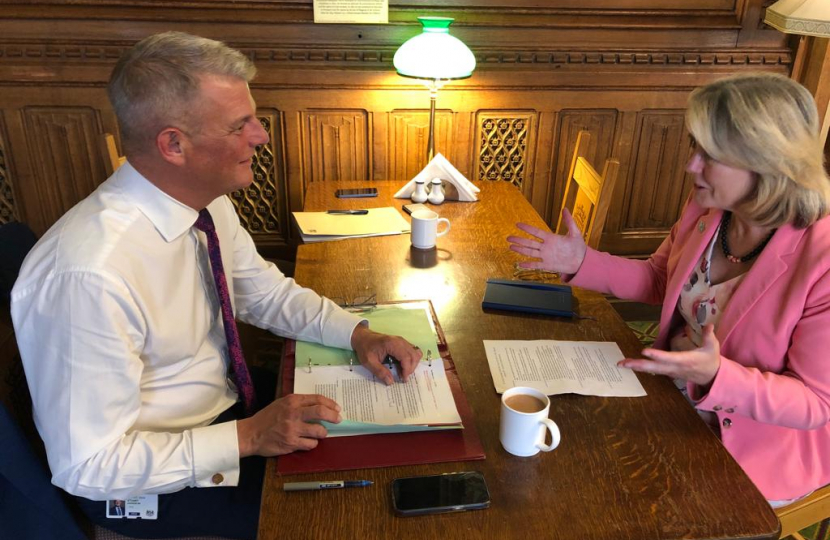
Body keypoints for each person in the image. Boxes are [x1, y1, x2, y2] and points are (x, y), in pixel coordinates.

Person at [11, 31, 421, 539]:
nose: (261, 136)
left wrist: (358, 334)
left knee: (402, 451)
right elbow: (89, 466)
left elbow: (264, 293)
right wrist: (247, 437)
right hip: (150, 480)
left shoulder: (204, 201)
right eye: (239, 125)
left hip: (229, 410)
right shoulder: (88, 276)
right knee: (357, 515)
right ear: (174, 144)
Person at [508, 72, 830, 507]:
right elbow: (660, 279)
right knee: (560, 455)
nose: (690, 165)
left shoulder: (821, 257)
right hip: (672, 394)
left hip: (752, 446)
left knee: (608, 493)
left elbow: (814, 404)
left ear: (766, 159)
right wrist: (580, 262)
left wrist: (717, 376)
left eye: (709, 154)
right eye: (693, 146)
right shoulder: (710, 207)